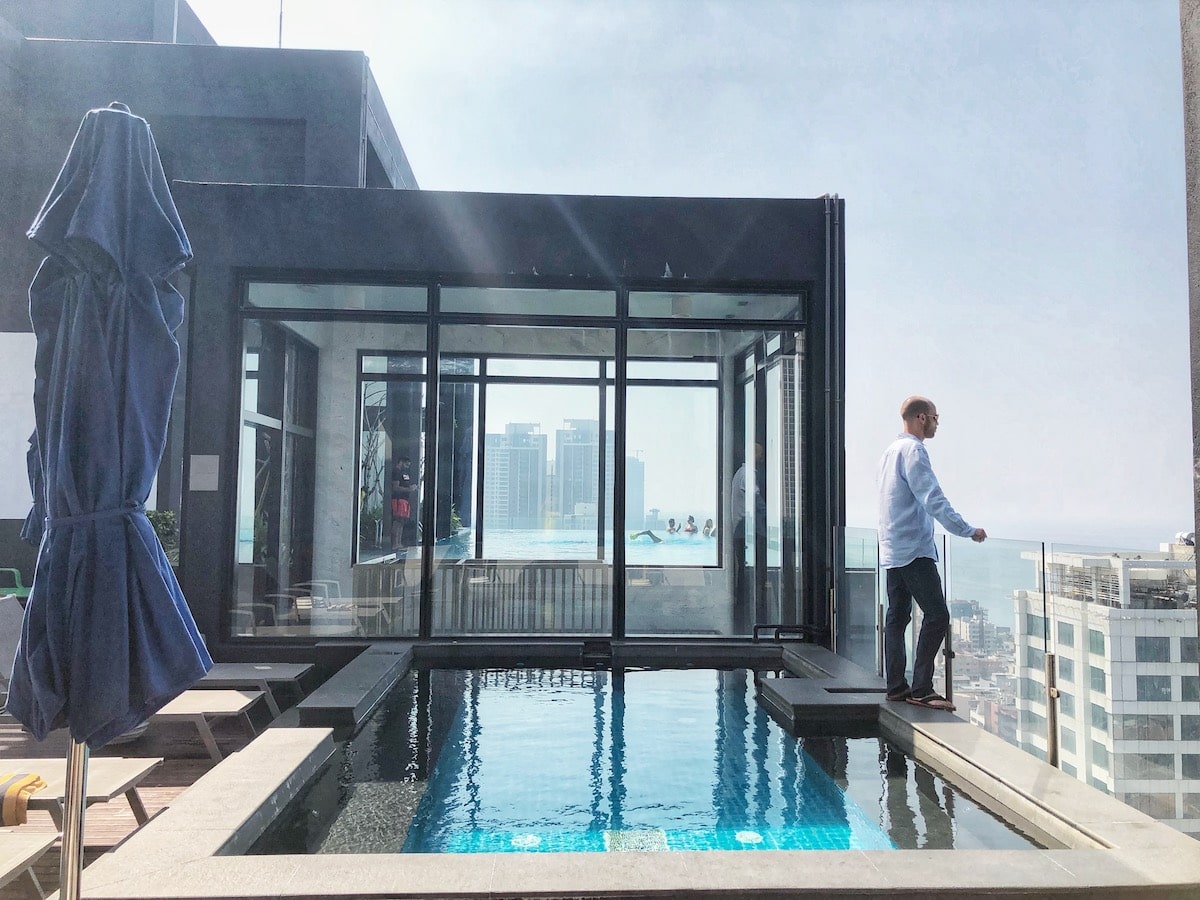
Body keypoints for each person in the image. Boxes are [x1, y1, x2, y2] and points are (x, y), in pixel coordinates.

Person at [878, 396, 986, 711]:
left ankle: (896, 687)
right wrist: (967, 529)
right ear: (922, 418)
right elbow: (932, 498)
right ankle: (921, 687)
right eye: (936, 417)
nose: (938, 423)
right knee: (937, 615)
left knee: (897, 618)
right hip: (913, 549)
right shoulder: (914, 451)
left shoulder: (888, 453)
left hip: (892, 547)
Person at [390, 455, 417, 549]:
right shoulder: (396, 472)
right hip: (398, 499)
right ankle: (395, 543)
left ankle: (399, 543)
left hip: (405, 499)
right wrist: (409, 489)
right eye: (406, 464)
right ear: (401, 462)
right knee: (397, 521)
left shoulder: (404, 473)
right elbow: (395, 487)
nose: (407, 467)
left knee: (402, 521)